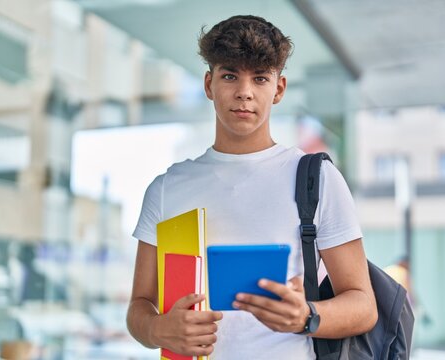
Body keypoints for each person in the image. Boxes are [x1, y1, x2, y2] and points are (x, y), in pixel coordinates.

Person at [126, 15, 377, 359]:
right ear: (209, 84)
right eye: (230, 75)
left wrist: (306, 316)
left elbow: (364, 306)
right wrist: (157, 329)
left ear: (279, 89)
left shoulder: (316, 178)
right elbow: (139, 305)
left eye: (260, 78)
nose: (244, 92)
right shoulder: (168, 187)